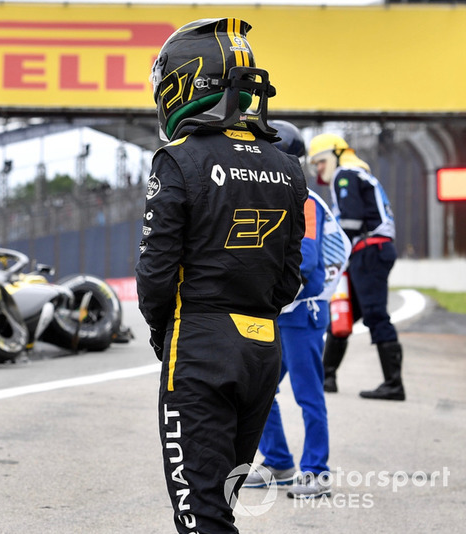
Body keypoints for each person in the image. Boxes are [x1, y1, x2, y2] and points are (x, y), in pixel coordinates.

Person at [136, 19, 308, 533]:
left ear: (184, 81)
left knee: (199, 515)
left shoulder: (177, 160)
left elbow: (155, 274)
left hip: (200, 347)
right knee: (220, 508)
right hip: (262, 349)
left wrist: (163, 331)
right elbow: (288, 278)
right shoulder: (287, 165)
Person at [242, 120, 351, 499]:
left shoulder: (304, 200)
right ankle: (279, 462)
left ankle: (316, 471)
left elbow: (305, 262)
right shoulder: (275, 196)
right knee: (260, 389)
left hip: (303, 312)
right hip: (280, 310)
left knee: (308, 394)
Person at [308, 133, 406, 401]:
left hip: (368, 250)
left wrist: (329, 253)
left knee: (375, 314)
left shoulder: (345, 174)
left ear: (335, 154)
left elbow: (349, 222)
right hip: (371, 249)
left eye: (320, 161)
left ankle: (394, 384)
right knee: (345, 314)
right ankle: (327, 377)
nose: (318, 168)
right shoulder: (358, 174)